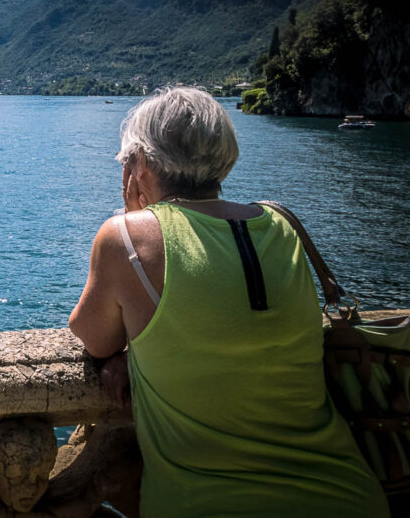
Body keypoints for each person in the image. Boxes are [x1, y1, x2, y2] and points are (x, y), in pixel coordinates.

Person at [68, 87, 388, 517]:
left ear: (140, 162)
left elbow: (94, 339)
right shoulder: (280, 224)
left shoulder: (126, 237)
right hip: (349, 496)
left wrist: (130, 219)